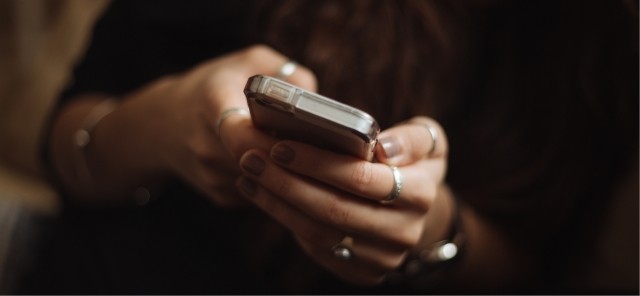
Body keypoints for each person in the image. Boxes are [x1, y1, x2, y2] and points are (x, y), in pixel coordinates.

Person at [20, 0, 638, 294]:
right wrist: (167, 121)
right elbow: (62, 147)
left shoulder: (601, 41)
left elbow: (549, 272)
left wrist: (434, 231)